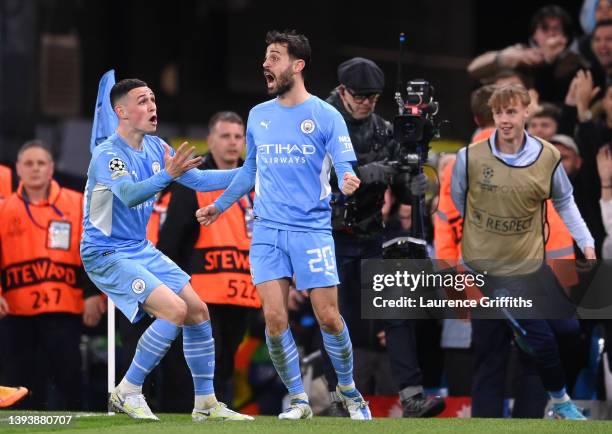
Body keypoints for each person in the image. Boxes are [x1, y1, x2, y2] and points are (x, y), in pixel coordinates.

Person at [196, 30, 370, 420]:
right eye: (266, 57)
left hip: (311, 230)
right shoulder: (258, 115)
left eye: (274, 57)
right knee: (275, 319)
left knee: (328, 316)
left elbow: (344, 161)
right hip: (268, 231)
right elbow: (250, 171)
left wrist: (347, 178)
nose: (265, 64)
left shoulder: (326, 115)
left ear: (297, 65)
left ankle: (349, 391)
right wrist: (220, 207)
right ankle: (299, 399)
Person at [80, 78, 253, 421]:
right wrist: (167, 175)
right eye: (143, 101)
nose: (152, 107)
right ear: (122, 112)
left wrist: (250, 172)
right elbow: (129, 194)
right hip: (105, 252)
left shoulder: (158, 148)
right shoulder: (107, 154)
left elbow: (200, 181)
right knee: (173, 310)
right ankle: (127, 391)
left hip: (139, 248)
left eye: (153, 100)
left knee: (197, 311)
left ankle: (205, 404)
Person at [451, 84, 596, 420]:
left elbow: (564, 201)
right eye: (500, 112)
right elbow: (462, 202)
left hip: (531, 265)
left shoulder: (547, 157)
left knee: (569, 331)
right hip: (490, 269)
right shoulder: (470, 157)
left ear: (526, 112)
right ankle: (561, 405)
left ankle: (522, 330)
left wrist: (585, 241)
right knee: (540, 340)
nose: (505, 119)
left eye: (512, 111)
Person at [157, 111, 261, 406]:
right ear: (210, 140)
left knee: (227, 363)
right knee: (202, 363)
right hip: (200, 295)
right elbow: (171, 240)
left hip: (243, 294)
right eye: (225, 136)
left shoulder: (256, 181)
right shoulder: (193, 183)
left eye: (238, 137)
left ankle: (217, 414)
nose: (232, 143)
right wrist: (170, 289)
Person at [0, 141, 104, 410]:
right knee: (17, 387)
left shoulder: (77, 203)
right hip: (15, 312)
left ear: (51, 169)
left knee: (68, 383)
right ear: (18, 170)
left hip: (64, 310)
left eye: (41, 163)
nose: (35, 169)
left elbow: (94, 251)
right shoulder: (3, 209)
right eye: (29, 164)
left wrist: (94, 294)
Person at [468, 5, 586, 104]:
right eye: (545, 28)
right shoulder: (521, 52)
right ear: (534, 34)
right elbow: (473, 69)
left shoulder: (574, 63)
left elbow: (550, 97)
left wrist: (548, 61)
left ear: (565, 37)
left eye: (556, 29)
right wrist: (505, 58)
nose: (551, 33)